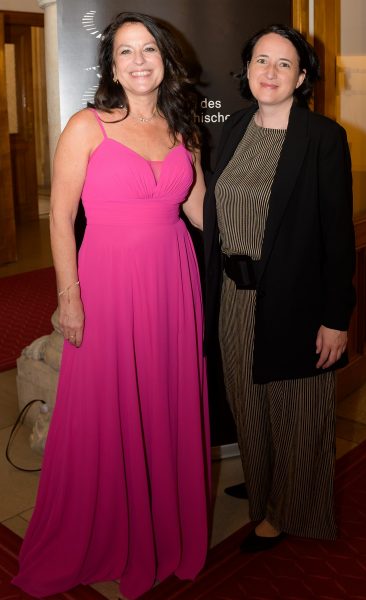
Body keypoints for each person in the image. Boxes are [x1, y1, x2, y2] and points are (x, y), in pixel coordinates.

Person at [13, 11, 210, 599]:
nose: (139, 60)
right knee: (108, 407)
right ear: (112, 67)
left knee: (165, 402)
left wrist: (265, 243)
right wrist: (67, 299)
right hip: (106, 283)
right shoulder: (87, 126)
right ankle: (107, 533)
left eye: (148, 48)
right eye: (125, 52)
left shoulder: (184, 127)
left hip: (173, 280)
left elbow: (201, 211)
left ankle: (165, 532)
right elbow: (62, 219)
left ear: (164, 59)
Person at [203, 24, 356, 552]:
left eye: (284, 63)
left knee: (295, 408)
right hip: (235, 299)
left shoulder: (323, 138)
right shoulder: (238, 125)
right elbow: (218, 210)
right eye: (260, 61)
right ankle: (264, 482)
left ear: (303, 76)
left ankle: (288, 509)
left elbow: (338, 235)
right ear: (246, 70)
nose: (270, 72)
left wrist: (336, 317)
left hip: (295, 300)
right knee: (247, 402)